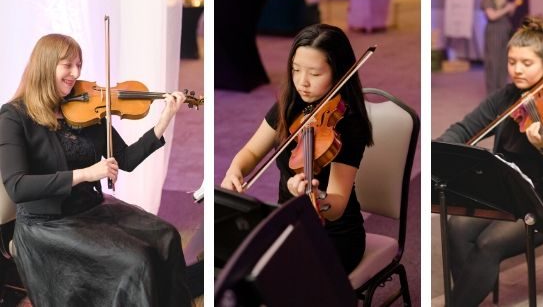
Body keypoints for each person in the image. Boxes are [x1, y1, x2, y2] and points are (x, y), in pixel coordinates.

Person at [0, 34, 191, 306]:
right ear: (46, 64)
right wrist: (86, 174)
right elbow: (18, 187)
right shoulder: (14, 116)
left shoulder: (85, 107)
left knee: (167, 236)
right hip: (47, 224)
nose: (76, 73)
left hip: (91, 208)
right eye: (67, 65)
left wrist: (163, 121)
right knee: (137, 262)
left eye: (79, 65)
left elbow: (126, 159)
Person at [436, 16, 543, 306]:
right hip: (508, 190)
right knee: (456, 227)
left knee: (489, 243)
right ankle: (469, 295)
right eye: (512, 62)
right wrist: (442, 149)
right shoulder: (507, 97)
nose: (517, 69)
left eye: (526, 63)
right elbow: (465, 128)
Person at [220, 24, 373, 273]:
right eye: (296, 69)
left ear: (339, 73)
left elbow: (337, 206)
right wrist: (234, 171)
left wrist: (317, 196)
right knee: (229, 258)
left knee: (275, 275)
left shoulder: (347, 124)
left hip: (334, 236)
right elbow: (251, 152)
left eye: (315, 73)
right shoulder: (289, 105)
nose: (302, 82)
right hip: (286, 224)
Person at [482, 0, 520, 95]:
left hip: (505, 31)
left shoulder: (504, 1)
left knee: (504, 62)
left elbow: (509, 14)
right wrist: (507, 8)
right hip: (494, 32)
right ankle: (492, 93)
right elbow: (492, 16)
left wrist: (512, 7)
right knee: (493, 62)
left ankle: (501, 91)